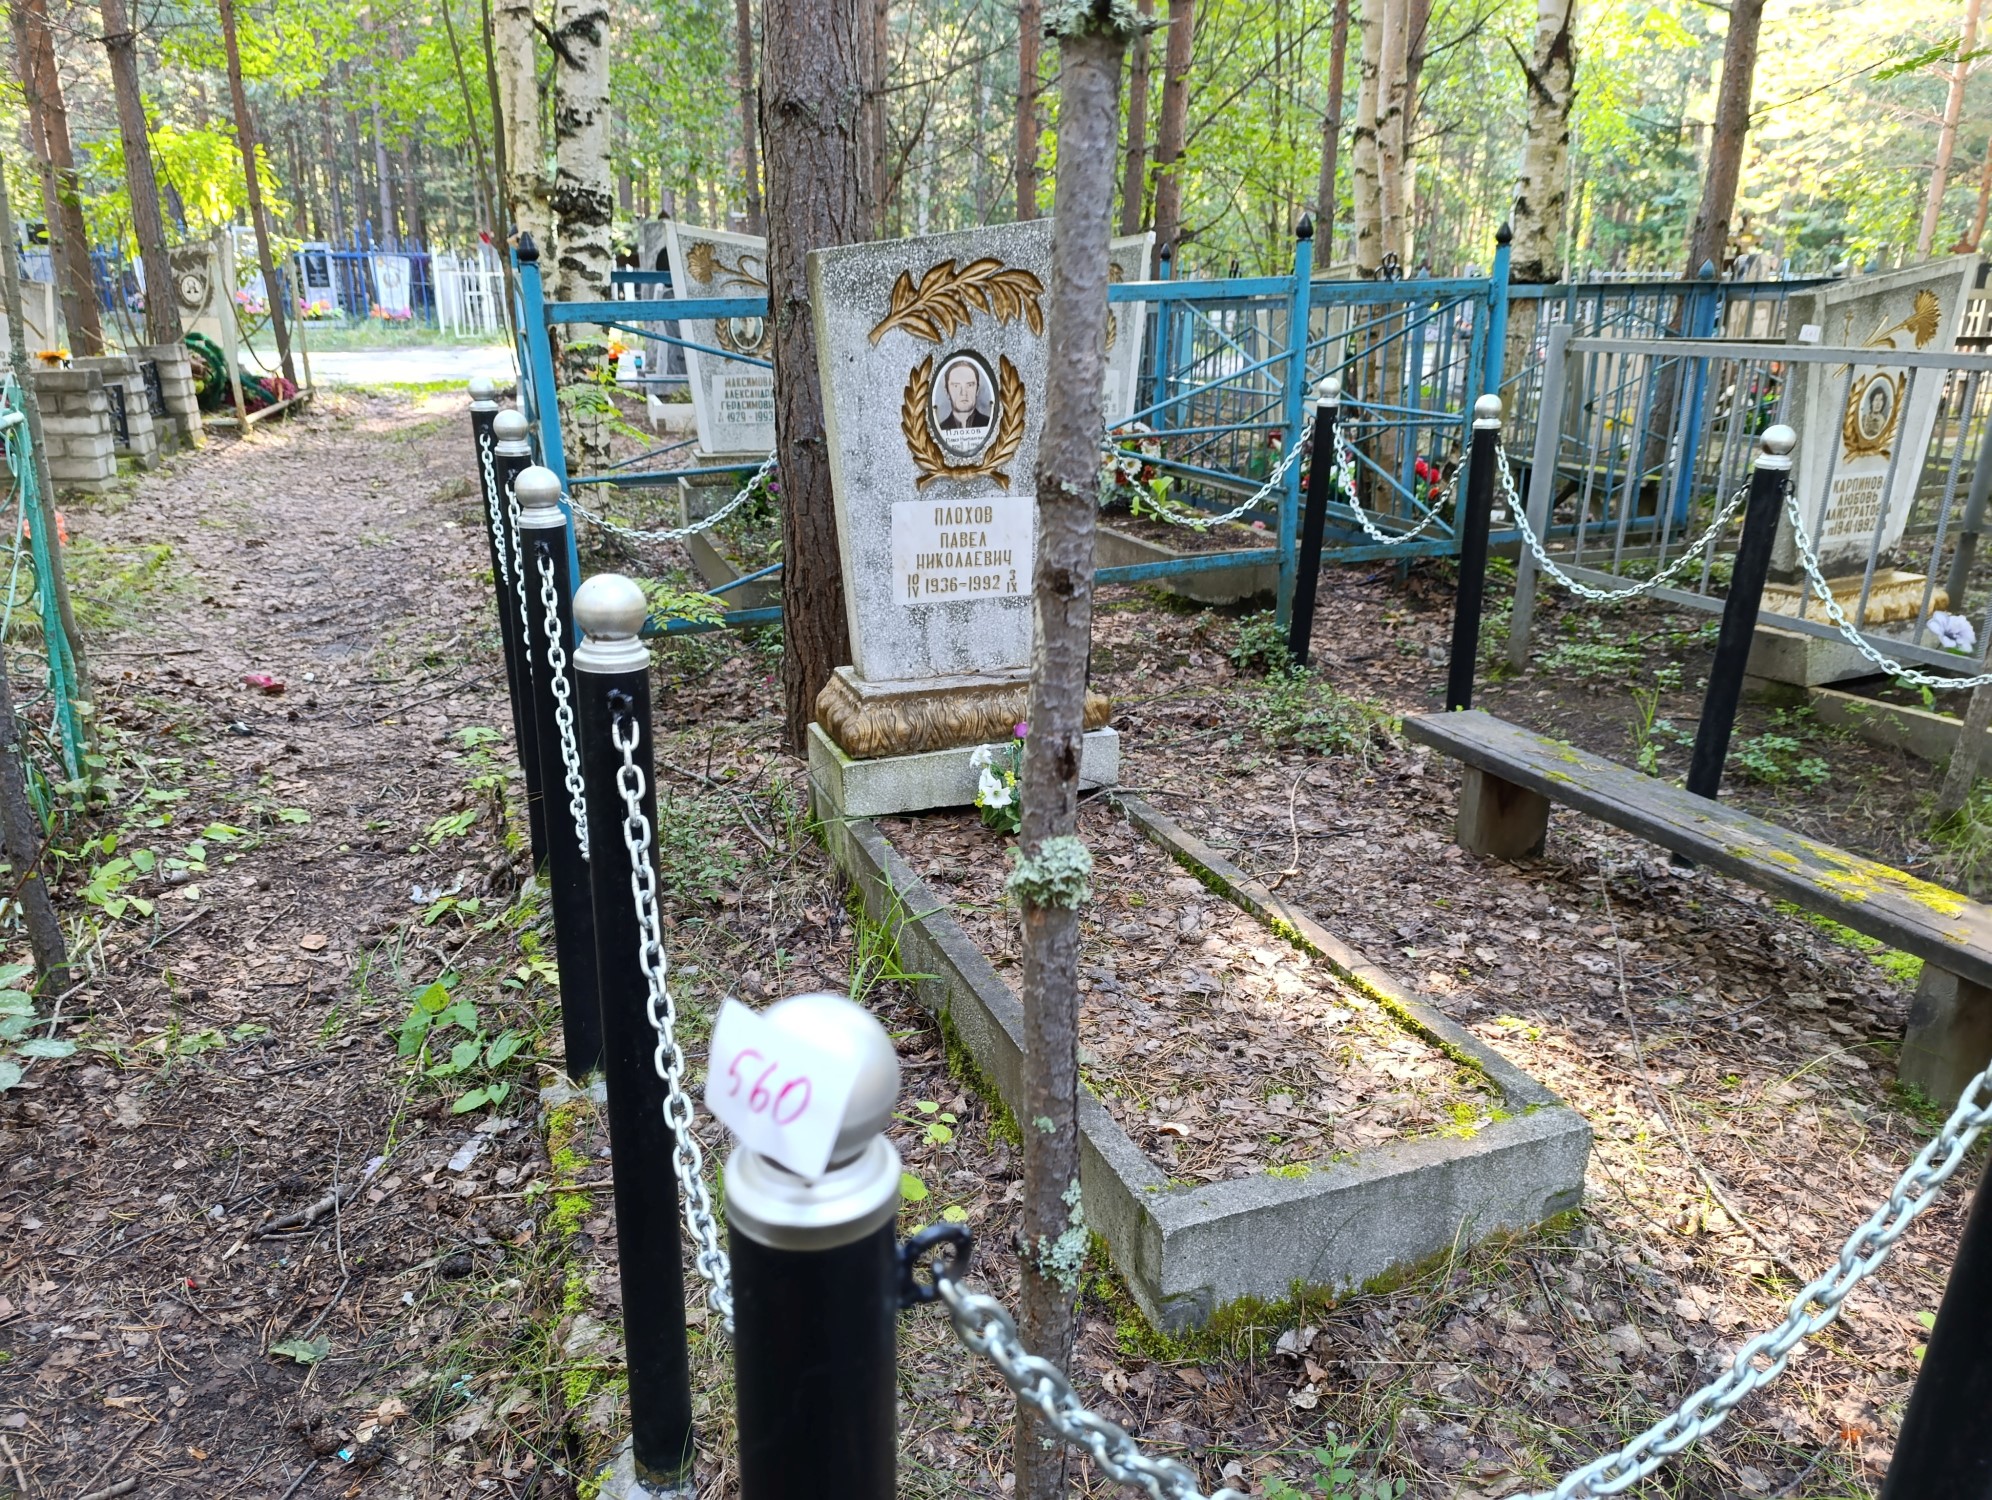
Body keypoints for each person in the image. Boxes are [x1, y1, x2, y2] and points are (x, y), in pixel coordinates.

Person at [939, 360, 990, 430]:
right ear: (947, 392)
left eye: (969, 385)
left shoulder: (989, 424)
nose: (963, 393)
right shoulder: (940, 429)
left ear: (977, 390)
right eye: (956, 386)